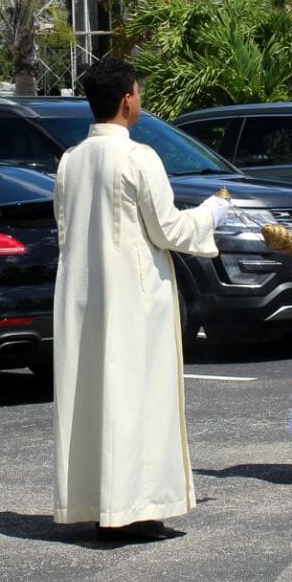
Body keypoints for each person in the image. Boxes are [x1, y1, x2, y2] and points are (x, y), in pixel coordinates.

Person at [52, 57, 228, 538]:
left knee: (95, 397)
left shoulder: (69, 162)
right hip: (134, 295)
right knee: (139, 398)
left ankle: (99, 502)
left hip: (84, 296)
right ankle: (137, 505)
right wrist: (213, 212)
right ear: (128, 97)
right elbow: (168, 228)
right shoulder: (138, 157)